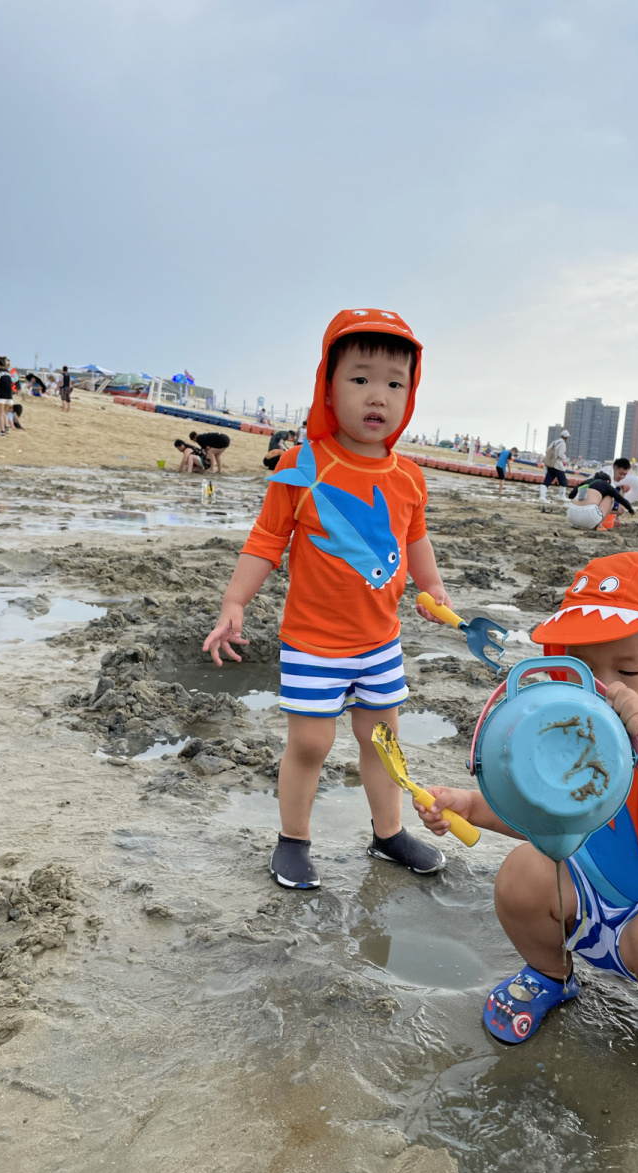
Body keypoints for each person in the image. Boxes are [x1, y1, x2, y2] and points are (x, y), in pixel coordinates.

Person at [414, 553, 638, 1113]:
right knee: (520, 875)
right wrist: (469, 804)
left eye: (630, 672)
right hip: (587, 900)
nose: (607, 692)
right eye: (586, 668)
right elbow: (538, 815)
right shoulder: (570, 732)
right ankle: (550, 973)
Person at [202, 308, 451, 891]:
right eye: (360, 378)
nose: (378, 396)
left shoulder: (409, 476)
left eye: (395, 383)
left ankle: (387, 834)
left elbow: (414, 538)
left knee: (383, 742)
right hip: (314, 643)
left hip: (380, 641)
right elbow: (266, 539)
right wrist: (235, 601)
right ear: (328, 387)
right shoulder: (303, 465)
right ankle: (293, 839)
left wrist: (432, 587)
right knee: (310, 743)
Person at [566, 472, 635, 530]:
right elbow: (621, 499)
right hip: (589, 515)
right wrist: (631, 510)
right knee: (610, 498)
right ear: (608, 481)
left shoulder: (585, 482)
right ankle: (599, 526)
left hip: (572, 516)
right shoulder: (606, 485)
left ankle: (577, 525)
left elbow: (571, 496)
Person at [541, 429, 571, 499]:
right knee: (563, 481)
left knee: (547, 481)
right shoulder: (563, 443)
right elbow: (561, 454)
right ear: (566, 437)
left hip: (550, 464)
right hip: (558, 465)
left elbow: (547, 450)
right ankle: (562, 496)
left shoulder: (555, 442)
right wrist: (565, 457)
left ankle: (541, 496)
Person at [0, 358, 14, 435]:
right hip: (9, 396)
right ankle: (6, 427)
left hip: (1, 394)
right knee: (4, 412)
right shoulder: (8, 372)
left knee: (0, 413)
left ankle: (2, 430)